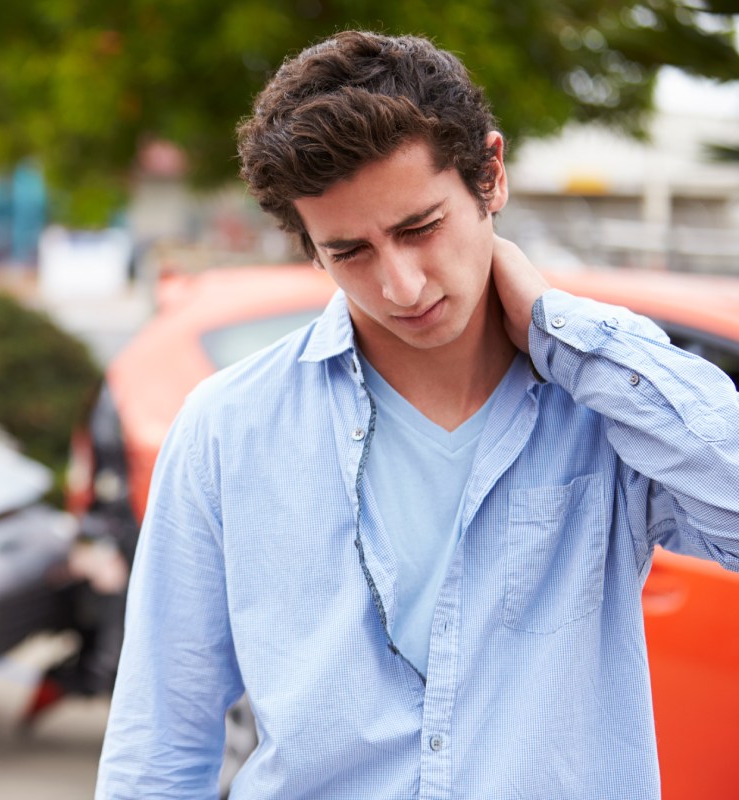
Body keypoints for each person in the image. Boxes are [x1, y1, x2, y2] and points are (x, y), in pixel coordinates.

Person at [96, 31, 739, 799]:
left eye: (419, 229)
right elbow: (160, 744)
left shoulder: (601, 411)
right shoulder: (226, 430)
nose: (400, 286)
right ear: (310, 249)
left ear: (490, 175)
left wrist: (563, 329)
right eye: (351, 252)